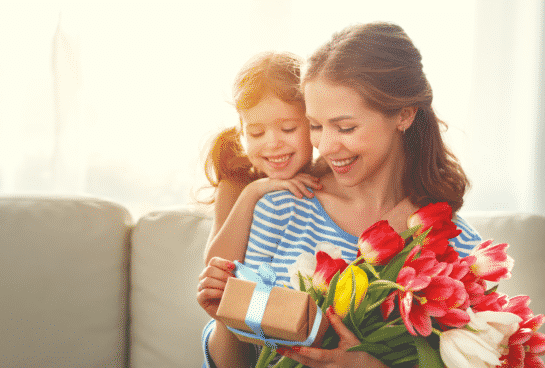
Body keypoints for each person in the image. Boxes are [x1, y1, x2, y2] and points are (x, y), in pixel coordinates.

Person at [198, 22, 483, 368]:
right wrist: (228, 320)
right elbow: (243, 357)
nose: (326, 147)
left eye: (345, 127)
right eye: (315, 126)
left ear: (404, 115)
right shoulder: (281, 207)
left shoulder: (454, 243)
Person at [202, 51, 321, 267]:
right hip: (254, 298)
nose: (273, 143)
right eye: (257, 133)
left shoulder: (325, 181)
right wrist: (253, 192)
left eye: (288, 129)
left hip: (298, 297)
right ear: (242, 131)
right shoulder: (236, 185)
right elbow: (216, 266)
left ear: (313, 122)